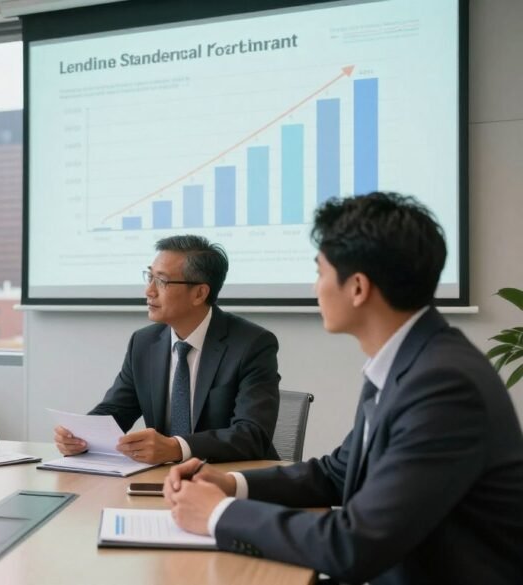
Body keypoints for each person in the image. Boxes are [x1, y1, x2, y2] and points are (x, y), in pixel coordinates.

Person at [164, 193, 523, 585]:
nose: (314, 286)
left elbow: (354, 544)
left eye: (320, 272)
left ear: (357, 288)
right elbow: (337, 472)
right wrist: (231, 484)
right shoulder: (409, 362)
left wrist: (218, 514)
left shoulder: (444, 386)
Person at [54, 235, 281, 464]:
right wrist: (81, 437)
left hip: (232, 478)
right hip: (164, 479)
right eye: (149, 277)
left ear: (199, 293)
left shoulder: (252, 344)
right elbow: (116, 410)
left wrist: (176, 448)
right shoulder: (143, 343)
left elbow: (253, 435)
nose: (149, 291)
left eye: (161, 281)